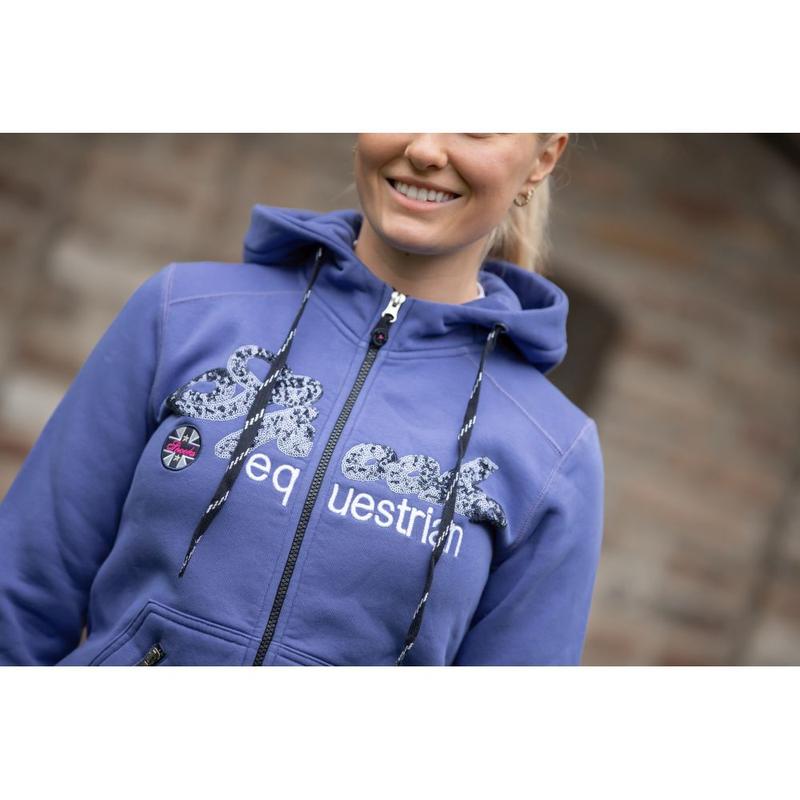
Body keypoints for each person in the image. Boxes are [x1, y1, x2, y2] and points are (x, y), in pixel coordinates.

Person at [0, 133, 604, 666]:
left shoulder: (554, 450)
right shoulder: (182, 313)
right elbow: (22, 591)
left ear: (542, 158)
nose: (425, 149)